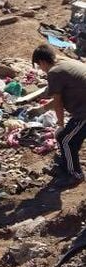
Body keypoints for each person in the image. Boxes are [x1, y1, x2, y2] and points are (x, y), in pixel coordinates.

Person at [31, 44, 86, 189]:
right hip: (82, 108)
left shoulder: (54, 72)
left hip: (83, 113)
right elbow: (59, 96)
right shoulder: (64, 62)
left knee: (64, 139)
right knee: (70, 139)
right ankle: (67, 165)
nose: (40, 68)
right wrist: (42, 109)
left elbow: (58, 103)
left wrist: (60, 125)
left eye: (39, 65)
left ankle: (75, 175)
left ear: (42, 62)